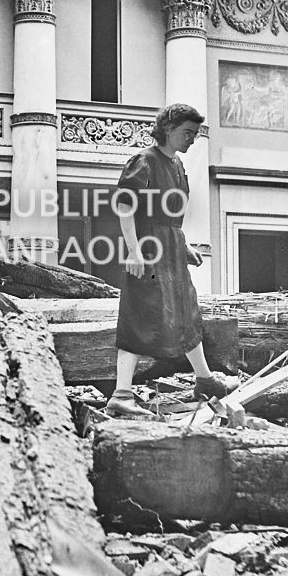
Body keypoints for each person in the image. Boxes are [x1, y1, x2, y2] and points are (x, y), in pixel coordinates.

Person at [106, 103, 240, 418]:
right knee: (139, 317)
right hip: (148, 249)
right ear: (168, 129)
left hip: (171, 250)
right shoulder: (144, 161)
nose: (192, 139)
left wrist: (183, 245)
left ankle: (205, 381)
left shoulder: (177, 165)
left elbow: (170, 218)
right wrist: (134, 251)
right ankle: (121, 396)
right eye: (187, 133)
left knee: (186, 313)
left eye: (195, 134)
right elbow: (125, 207)